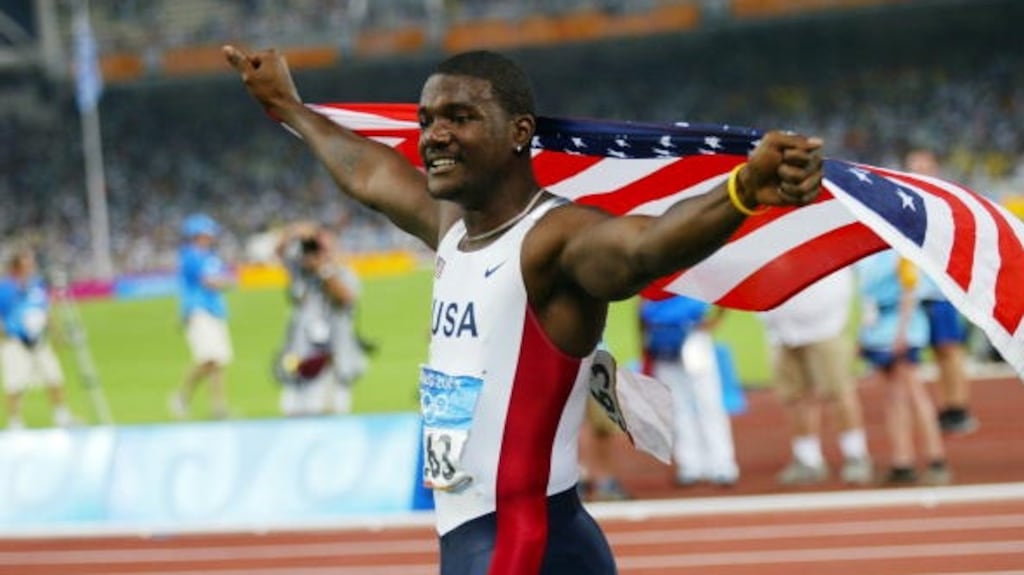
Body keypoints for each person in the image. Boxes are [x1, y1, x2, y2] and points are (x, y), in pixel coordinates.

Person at [225, 44, 824, 574]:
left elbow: (643, 248)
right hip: (507, 537)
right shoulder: (452, 228)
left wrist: (741, 192)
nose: (434, 134)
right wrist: (289, 106)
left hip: (518, 546)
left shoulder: (552, 241)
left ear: (518, 132)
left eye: (461, 117)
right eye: (428, 119)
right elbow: (365, 170)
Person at [758, 267, 874, 487]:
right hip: (780, 331)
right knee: (794, 397)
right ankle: (807, 458)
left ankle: (856, 454)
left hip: (825, 327)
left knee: (838, 392)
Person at [855, 249, 950, 485]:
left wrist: (902, 332)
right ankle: (902, 459)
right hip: (877, 328)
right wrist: (862, 335)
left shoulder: (901, 251)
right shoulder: (866, 256)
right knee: (893, 396)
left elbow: (910, 290)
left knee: (914, 393)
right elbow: (866, 300)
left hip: (901, 325)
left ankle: (936, 458)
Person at [904, 148, 977, 435]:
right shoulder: (904, 203)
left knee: (949, 349)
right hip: (913, 292)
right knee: (927, 354)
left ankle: (958, 407)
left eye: (923, 165)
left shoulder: (943, 203)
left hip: (939, 291)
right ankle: (945, 406)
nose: (918, 170)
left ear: (935, 168)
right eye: (913, 166)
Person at [639, 295, 739, 487]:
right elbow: (642, 304)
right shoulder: (655, 272)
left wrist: (716, 319)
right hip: (662, 336)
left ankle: (722, 465)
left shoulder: (690, 267)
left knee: (708, 402)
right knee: (677, 406)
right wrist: (645, 343)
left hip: (693, 333)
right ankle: (690, 466)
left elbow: (723, 288)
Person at [273, 221, 368, 416]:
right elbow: (279, 251)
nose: (314, 254)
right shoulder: (300, 274)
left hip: (333, 363)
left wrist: (323, 270)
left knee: (333, 417)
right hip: (301, 359)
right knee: (295, 415)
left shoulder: (343, 274)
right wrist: (294, 231)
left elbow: (345, 297)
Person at [0, 248, 76, 430]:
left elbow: (44, 310)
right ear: (16, 266)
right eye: (27, 263)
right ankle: (15, 422)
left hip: (39, 340)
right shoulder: (5, 289)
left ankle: (62, 416)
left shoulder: (37, 285)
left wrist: (56, 334)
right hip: (15, 341)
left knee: (54, 377)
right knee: (15, 383)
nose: (31, 266)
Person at [169, 213, 234, 420]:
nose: (210, 236)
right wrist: (225, 282)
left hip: (215, 310)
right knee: (207, 358)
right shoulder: (190, 256)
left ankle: (218, 407)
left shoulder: (211, 257)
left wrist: (224, 281)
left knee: (218, 362)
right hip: (198, 310)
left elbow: (221, 279)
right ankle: (181, 396)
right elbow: (210, 281)